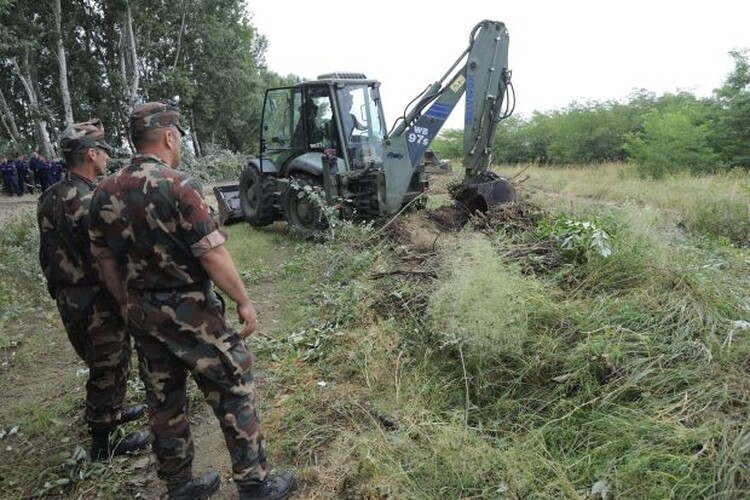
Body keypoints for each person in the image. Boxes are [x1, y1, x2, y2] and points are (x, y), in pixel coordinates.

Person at [88, 102, 295, 500]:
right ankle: (254, 484)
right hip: (192, 313)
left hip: (143, 313)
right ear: (168, 136)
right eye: (178, 135)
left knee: (164, 401)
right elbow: (212, 253)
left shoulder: (103, 191)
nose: (179, 141)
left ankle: (180, 486)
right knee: (233, 386)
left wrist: (124, 303)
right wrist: (244, 301)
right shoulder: (178, 185)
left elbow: (105, 260)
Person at [37, 119, 150, 460]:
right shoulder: (88, 200)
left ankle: (113, 411)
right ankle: (105, 440)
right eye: (102, 151)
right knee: (108, 362)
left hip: (68, 294)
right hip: (93, 296)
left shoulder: (50, 195)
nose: (106, 157)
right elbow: (105, 257)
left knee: (104, 358)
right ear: (90, 154)